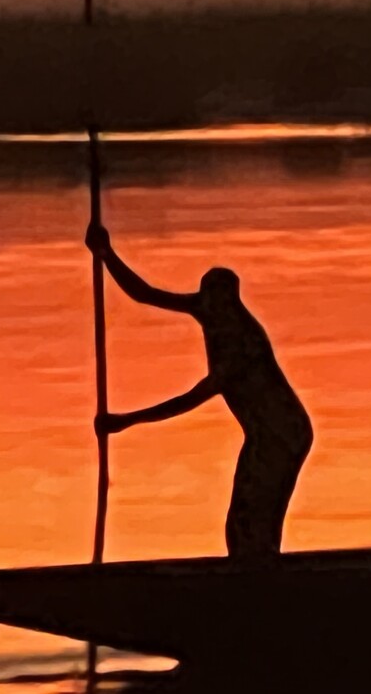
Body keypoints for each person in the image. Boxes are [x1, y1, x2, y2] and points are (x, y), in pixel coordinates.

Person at [86, 224, 313, 558]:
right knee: (243, 521)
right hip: (262, 434)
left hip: (283, 433)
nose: (208, 310)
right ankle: (254, 575)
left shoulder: (242, 344)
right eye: (206, 301)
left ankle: (260, 578)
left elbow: (191, 398)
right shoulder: (207, 310)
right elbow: (145, 294)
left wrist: (127, 421)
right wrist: (105, 254)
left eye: (217, 305)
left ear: (231, 305)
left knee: (253, 515)